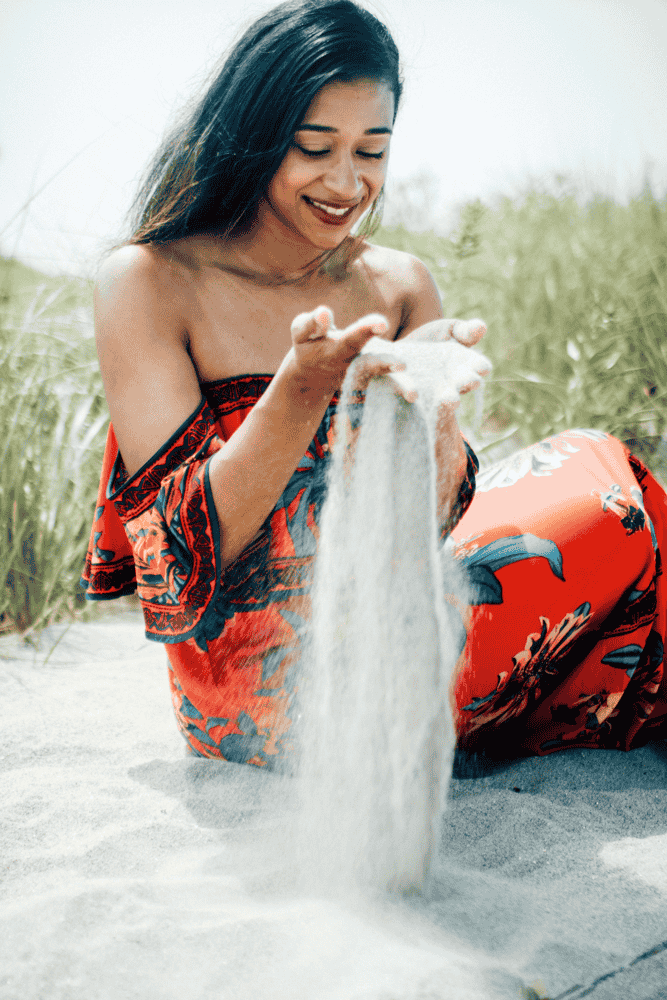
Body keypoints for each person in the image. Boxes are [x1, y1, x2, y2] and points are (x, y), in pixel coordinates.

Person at [81, 0, 667, 766]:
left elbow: (430, 533)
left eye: (372, 150)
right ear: (256, 135)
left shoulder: (396, 283)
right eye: (314, 147)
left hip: (398, 624)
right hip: (261, 697)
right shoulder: (152, 280)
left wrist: (430, 414)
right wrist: (298, 392)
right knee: (603, 485)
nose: (345, 181)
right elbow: (182, 562)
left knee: (602, 473)